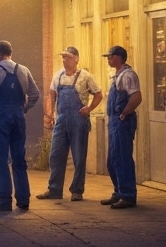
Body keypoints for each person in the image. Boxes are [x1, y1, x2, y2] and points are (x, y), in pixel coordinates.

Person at [36, 46, 102, 202]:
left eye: (68, 57)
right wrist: (49, 113)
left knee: (79, 156)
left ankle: (77, 190)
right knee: (55, 155)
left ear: (76, 59)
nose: (65, 60)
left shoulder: (85, 76)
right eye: (63, 57)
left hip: (78, 120)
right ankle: (54, 189)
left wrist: (89, 108)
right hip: (61, 121)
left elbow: (98, 94)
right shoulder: (58, 75)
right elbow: (51, 94)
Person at [0, 40, 40, 212]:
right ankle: (23, 199)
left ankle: (4, 200)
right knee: (19, 158)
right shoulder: (23, 70)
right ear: (11, 53)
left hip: (0, 117)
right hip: (18, 116)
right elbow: (35, 94)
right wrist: (24, 109)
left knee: (0, 159)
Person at [102, 45, 142, 209]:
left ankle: (128, 195)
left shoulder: (128, 75)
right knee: (113, 160)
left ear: (118, 57)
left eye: (110, 57)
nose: (109, 60)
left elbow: (137, 97)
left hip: (122, 122)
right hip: (114, 122)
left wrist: (124, 113)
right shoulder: (116, 75)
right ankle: (118, 192)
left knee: (122, 158)